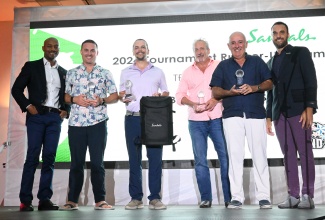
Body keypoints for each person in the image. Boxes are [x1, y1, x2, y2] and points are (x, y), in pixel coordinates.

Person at [210, 32, 273, 209]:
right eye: (233, 43)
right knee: (235, 157)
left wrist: (254, 88)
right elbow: (215, 91)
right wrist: (230, 92)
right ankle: (236, 197)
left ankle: (264, 197)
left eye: (240, 42)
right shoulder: (223, 66)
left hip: (256, 114)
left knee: (259, 156)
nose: (237, 46)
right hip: (232, 116)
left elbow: (270, 83)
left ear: (246, 44)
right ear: (228, 46)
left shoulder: (257, 62)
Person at [11, 37, 69, 211]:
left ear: (58, 49)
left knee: (50, 158)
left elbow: (67, 95)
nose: (52, 49)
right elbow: (16, 89)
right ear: (43, 48)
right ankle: (25, 200)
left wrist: (66, 110)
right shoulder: (32, 66)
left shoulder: (64, 71)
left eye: (55, 47)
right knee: (32, 157)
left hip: (54, 118)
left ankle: (44, 199)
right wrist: (28, 106)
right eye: (49, 46)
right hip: (36, 117)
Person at [60, 39, 118, 211]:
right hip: (76, 123)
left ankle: (100, 200)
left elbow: (114, 96)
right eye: (86, 50)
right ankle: (72, 200)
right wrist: (74, 99)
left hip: (98, 122)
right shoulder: (71, 73)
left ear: (97, 53)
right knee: (76, 163)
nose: (89, 53)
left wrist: (102, 100)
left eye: (92, 50)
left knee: (97, 163)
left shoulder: (105, 73)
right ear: (81, 52)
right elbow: (65, 97)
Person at [266, 21, 318, 209]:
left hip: (299, 111)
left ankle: (308, 195)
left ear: (288, 34)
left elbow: (311, 79)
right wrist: (268, 116)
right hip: (280, 114)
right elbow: (270, 92)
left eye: (281, 32)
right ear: (271, 36)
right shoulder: (270, 62)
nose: (278, 35)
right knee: (288, 155)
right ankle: (293, 195)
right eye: (275, 33)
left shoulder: (300, 52)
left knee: (305, 154)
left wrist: (310, 107)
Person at [175, 39, 231, 208]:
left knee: (225, 158)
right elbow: (179, 95)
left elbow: (228, 88)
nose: (199, 52)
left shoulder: (219, 66)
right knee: (200, 161)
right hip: (196, 121)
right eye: (196, 49)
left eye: (202, 49)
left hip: (217, 118)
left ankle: (229, 198)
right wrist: (192, 104)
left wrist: (216, 98)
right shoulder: (187, 72)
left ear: (208, 50)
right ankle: (206, 198)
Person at [119, 39, 169, 210]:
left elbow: (166, 91)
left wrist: (160, 96)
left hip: (153, 118)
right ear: (133, 51)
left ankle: (155, 197)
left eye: (142, 47)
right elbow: (122, 93)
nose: (139, 50)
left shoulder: (158, 71)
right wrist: (123, 96)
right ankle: (136, 198)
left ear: (148, 50)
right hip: (132, 117)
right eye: (136, 47)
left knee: (155, 158)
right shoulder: (125, 72)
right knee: (134, 159)